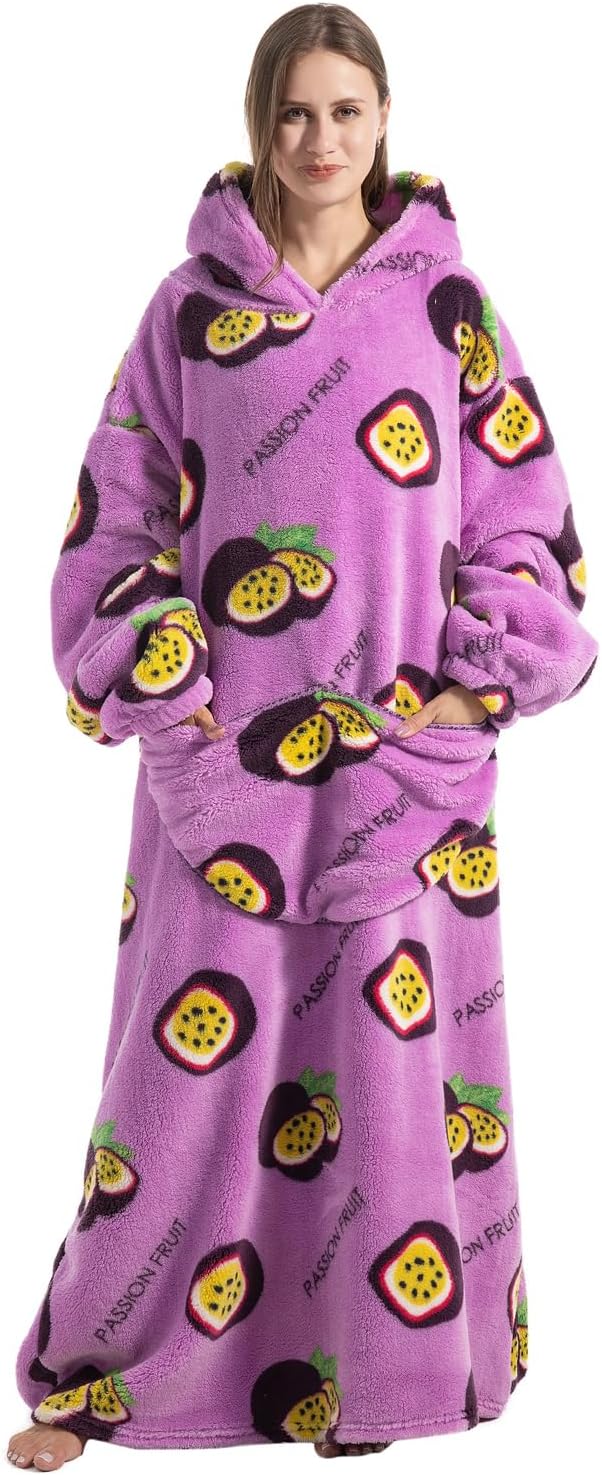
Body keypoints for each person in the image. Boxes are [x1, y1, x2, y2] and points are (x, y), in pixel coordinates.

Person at [8, 3, 599, 1469]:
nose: (320, 139)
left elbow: (527, 519)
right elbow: (112, 522)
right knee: (178, 1075)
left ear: (384, 119)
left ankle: (370, 1377)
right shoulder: (184, 315)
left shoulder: (449, 309)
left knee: (391, 1070)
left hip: (405, 767)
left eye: (345, 110)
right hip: (223, 765)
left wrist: (468, 694)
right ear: (260, 125)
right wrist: (171, 689)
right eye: (294, 113)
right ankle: (101, 1369)